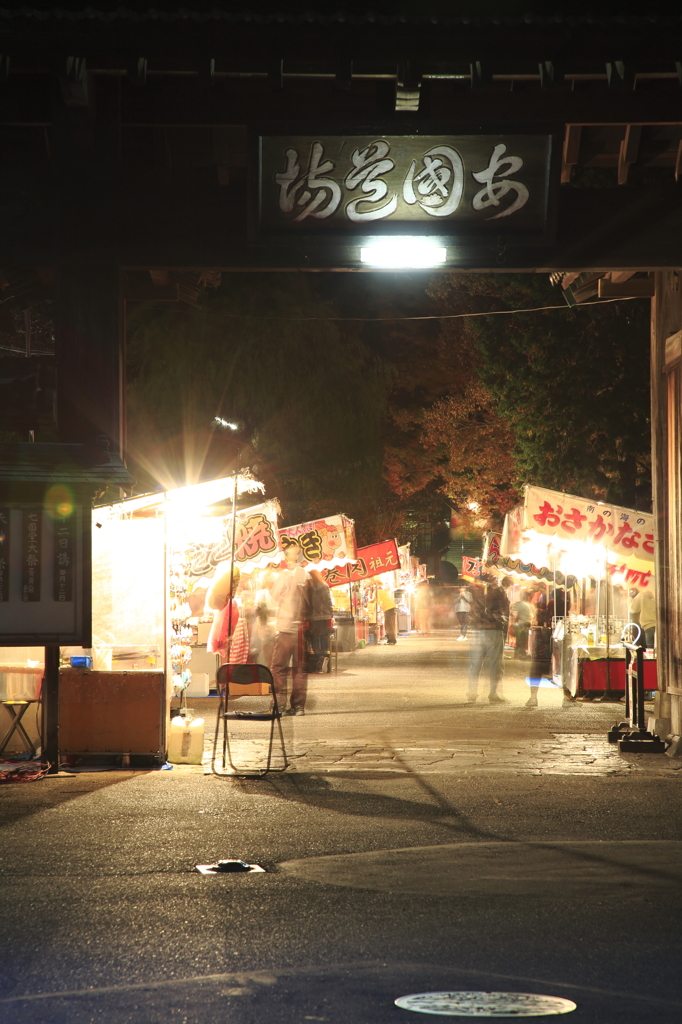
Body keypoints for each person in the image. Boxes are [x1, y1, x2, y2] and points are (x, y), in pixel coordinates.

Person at [270, 541, 312, 715]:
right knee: (300, 669)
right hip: (303, 629)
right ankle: (298, 706)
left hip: (286, 628)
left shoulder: (285, 576)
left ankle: (279, 705)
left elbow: (273, 597)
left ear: (289, 557)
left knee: (279, 667)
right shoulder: (308, 576)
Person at [466, 577, 510, 704]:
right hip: (494, 633)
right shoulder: (499, 597)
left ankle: (472, 693)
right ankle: (493, 693)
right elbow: (503, 616)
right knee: (495, 665)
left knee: (475, 665)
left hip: (477, 633)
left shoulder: (477, 597)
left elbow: (474, 614)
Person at [308, 569, 334, 671]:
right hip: (324, 616)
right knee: (324, 637)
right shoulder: (325, 586)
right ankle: (324, 657)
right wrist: (331, 613)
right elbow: (328, 601)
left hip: (312, 616)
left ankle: (319, 658)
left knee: (314, 637)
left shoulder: (308, 588)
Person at [512, 589, 534, 660]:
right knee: (522, 640)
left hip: (524, 624)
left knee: (522, 640)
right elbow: (518, 615)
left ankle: (520, 654)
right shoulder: (525, 604)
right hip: (523, 625)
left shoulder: (526, 605)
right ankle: (518, 654)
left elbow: (517, 616)